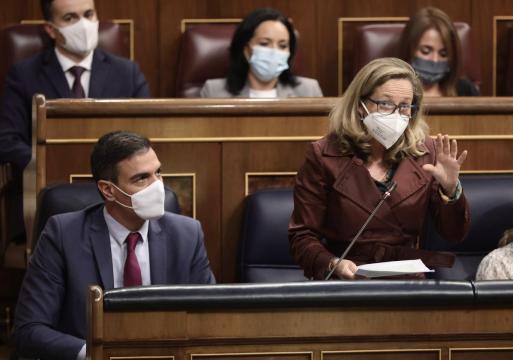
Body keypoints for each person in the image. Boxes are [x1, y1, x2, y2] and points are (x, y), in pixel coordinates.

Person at [12, 131, 215, 359]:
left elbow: (209, 319)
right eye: (141, 178)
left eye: (158, 173)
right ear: (108, 190)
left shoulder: (187, 234)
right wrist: (96, 354)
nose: (157, 186)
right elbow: (29, 330)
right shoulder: (62, 234)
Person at [288, 57, 470, 280]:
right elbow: (302, 236)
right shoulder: (324, 155)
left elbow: (453, 234)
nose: (396, 114)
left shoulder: (427, 153)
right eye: (385, 104)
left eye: (405, 106)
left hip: (407, 283)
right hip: (346, 282)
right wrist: (332, 263)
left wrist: (450, 191)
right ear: (360, 106)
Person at [0, 0, 150, 243]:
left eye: (88, 14)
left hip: (120, 196)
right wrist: (51, 164)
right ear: (51, 29)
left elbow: (146, 135)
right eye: (70, 18)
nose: (83, 24)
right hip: (48, 196)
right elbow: (7, 140)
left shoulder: (127, 72)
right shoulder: (24, 74)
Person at [200, 8, 322, 98]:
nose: (275, 52)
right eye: (264, 43)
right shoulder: (213, 91)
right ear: (246, 49)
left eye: (282, 45)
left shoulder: (309, 91)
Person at [399, 7, 479, 97]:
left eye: (443, 54)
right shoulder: (392, 91)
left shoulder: (465, 90)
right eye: (425, 51)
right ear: (409, 50)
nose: (435, 60)